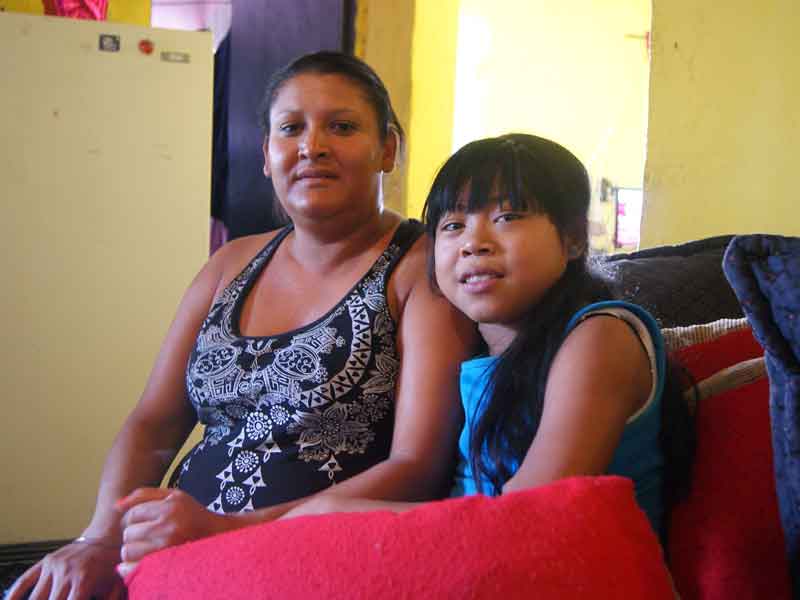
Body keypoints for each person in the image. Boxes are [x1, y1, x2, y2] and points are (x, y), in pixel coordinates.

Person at [6, 52, 475, 600]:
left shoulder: (423, 269)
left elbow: (417, 468)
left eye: (343, 127)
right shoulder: (231, 263)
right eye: (291, 128)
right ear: (266, 155)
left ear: (387, 149)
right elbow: (154, 422)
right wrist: (100, 539)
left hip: (316, 568)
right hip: (175, 556)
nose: (313, 146)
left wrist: (227, 530)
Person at [282, 133, 694, 540]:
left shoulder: (600, 337)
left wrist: (334, 514)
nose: (473, 244)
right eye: (453, 225)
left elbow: (532, 517)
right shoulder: (471, 350)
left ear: (573, 238)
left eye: (507, 218)